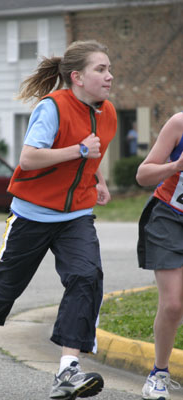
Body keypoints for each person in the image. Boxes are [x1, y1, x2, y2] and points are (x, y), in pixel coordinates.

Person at [0, 39, 117, 400]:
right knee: (6, 287)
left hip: (76, 214)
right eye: (101, 69)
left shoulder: (108, 112)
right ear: (77, 77)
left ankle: (67, 370)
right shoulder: (52, 107)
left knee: (86, 277)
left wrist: (99, 181)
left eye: (109, 69)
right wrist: (78, 150)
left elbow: (92, 155)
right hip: (33, 213)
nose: (109, 76)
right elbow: (29, 158)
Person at [136, 112, 183, 400]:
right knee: (173, 304)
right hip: (167, 216)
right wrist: (176, 165)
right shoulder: (179, 123)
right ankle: (159, 374)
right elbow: (143, 174)